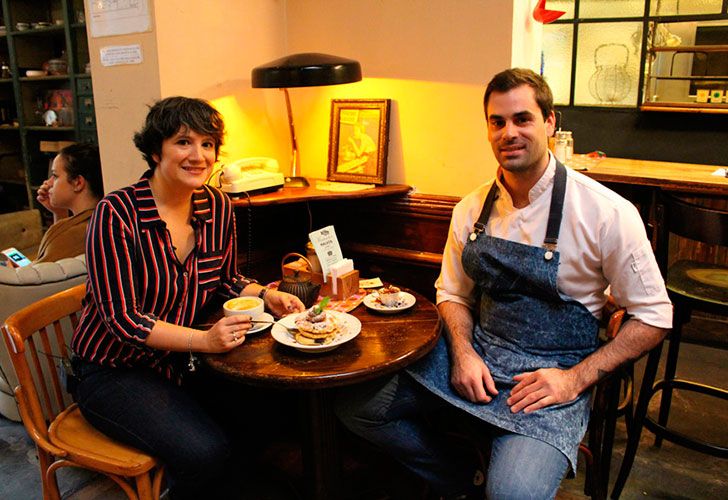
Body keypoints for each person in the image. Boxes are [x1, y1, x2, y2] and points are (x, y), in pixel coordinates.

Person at [336, 68, 673, 499]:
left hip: (551, 381)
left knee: (514, 493)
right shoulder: (471, 208)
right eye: (497, 122)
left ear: (551, 122)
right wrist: (462, 353)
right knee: (358, 408)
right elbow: (453, 293)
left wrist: (573, 380)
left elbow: (655, 315)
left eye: (522, 119)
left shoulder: (606, 211)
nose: (508, 132)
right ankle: (456, 480)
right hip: (479, 358)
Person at [70, 96, 305, 499]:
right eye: (184, 142)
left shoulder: (216, 205)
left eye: (208, 144)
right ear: (155, 150)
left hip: (179, 361)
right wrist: (204, 340)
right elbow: (124, 320)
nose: (199, 155)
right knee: (205, 453)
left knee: (274, 412)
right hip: (113, 370)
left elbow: (226, 280)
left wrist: (268, 295)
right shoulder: (117, 214)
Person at [34, 143, 103, 263]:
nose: (48, 183)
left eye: (55, 176)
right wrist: (59, 213)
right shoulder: (103, 221)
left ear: (77, 183)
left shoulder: (67, 236)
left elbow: (35, 275)